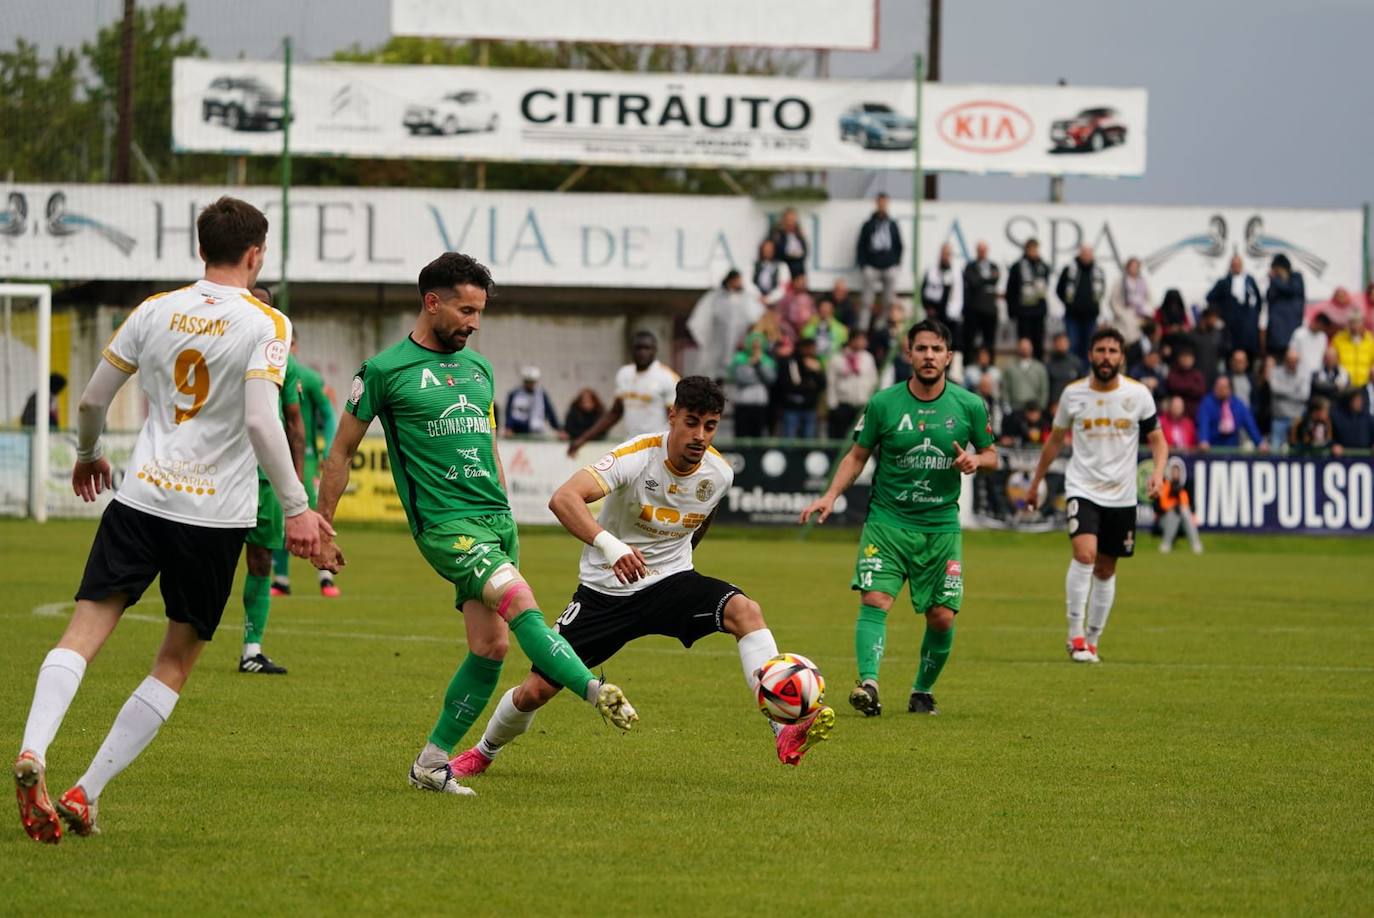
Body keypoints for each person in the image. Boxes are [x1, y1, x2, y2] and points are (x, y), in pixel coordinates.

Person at [13, 196, 331, 842]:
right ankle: (85, 791)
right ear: (256, 254)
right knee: (174, 661)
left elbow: (95, 398)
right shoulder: (268, 322)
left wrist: (87, 455)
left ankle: (33, 750)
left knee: (81, 634)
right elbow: (260, 420)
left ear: (200, 248)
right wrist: (298, 509)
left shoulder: (154, 310)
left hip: (139, 500)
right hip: (213, 518)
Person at [312, 252, 638, 798]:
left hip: (495, 522)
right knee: (522, 602)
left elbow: (487, 446)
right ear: (432, 302)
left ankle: (430, 764)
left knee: (491, 648)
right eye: (466, 310)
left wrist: (506, 511)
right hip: (445, 527)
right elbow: (340, 454)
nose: (474, 323)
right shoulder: (383, 371)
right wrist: (323, 526)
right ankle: (593, 689)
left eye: (480, 311)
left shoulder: (479, 370)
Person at [449, 377, 834, 779]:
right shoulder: (636, 455)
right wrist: (611, 547)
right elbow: (563, 498)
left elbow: (702, 518)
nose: (700, 435)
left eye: (711, 425)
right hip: (604, 593)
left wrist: (682, 567)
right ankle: (484, 750)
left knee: (745, 612)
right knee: (537, 690)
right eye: (692, 422)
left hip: (671, 583)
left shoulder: (720, 472)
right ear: (673, 417)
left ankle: (784, 727)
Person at [801, 318, 996, 717]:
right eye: (921, 349)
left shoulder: (970, 406)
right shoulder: (883, 404)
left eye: (936, 349)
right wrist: (831, 494)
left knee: (941, 617)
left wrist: (976, 459)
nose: (928, 356)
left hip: (940, 526)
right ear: (909, 354)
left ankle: (922, 691)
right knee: (875, 598)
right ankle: (868, 685)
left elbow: (993, 454)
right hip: (887, 522)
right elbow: (858, 456)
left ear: (948, 357)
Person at [1026, 327, 1168, 664]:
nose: (1106, 357)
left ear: (1121, 357)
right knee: (1085, 554)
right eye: (1101, 350)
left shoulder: (1139, 395)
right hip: (1083, 487)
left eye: (1113, 351)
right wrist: (1036, 482)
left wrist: (1159, 473)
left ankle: (1092, 639)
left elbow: (1159, 440)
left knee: (1106, 568)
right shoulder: (1073, 395)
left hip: (1121, 494)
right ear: (1090, 355)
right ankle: (1074, 635)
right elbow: (1055, 441)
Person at [238, 286, 307, 675]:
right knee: (209, 559)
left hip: (265, 479)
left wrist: (295, 484)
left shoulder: (285, 361)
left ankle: (251, 649)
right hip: (225, 473)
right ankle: (191, 636)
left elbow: (294, 423)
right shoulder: (224, 349)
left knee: (261, 559)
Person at [272, 333, 341, 599]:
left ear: (295, 346)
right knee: (279, 516)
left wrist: (329, 452)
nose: (285, 349)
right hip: (276, 457)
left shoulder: (308, 377)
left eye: (289, 343)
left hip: (308, 456)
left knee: (311, 510)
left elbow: (329, 414)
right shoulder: (266, 371)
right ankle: (281, 579)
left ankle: (325, 574)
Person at [567, 330, 678, 455]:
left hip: (657, 448)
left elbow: (676, 419)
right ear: (632, 350)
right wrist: (583, 439)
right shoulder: (624, 374)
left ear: (655, 350)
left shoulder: (667, 377)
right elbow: (614, 413)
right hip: (631, 446)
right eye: (638, 348)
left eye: (647, 348)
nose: (642, 352)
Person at [686, 269, 763, 384]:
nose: (740, 283)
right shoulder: (715, 297)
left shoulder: (746, 298)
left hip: (738, 347)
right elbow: (700, 320)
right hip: (716, 346)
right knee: (715, 377)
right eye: (737, 280)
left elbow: (757, 318)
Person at [856, 192, 903, 333]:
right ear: (876, 203)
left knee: (888, 301)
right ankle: (862, 328)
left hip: (889, 266)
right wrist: (864, 265)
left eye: (884, 203)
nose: (882, 205)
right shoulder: (869, 224)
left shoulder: (892, 224)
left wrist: (896, 263)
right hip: (872, 265)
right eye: (880, 202)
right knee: (867, 300)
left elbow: (898, 245)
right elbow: (861, 245)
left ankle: (882, 328)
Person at [1056, 244, 1106, 364]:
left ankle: (1086, 374)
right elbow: (1059, 290)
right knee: (1073, 345)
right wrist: (1070, 304)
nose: (1087, 256)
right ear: (1079, 253)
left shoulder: (1098, 271)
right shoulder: (1069, 270)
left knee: (1089, 347)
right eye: (1084, 253)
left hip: (1091, 316)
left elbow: (1101, 291)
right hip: (1072, 316)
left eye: (1089, 253)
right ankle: (1073, 373)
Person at [1206, 256, 1263, 361]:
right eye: (1234, 264)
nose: (1236, 266)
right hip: (1230, 328)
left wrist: (1254, 317)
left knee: (1248, 355)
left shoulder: (1250, 280)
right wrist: (1219, 317)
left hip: (1247, 328)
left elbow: (1258, 301)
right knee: (1230, 354)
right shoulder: (1224, 282)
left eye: (1238, 264)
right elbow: (1210, 297)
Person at [825, 330, 877, 440]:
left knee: (861, 437)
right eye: (860, 339)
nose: (863, 342)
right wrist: (833, 405)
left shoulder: (868, 358)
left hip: (862, 405)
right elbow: (831, 382)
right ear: (852, 340)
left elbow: (873, 380)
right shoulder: (838, 358)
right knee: (840, 436)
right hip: (843, 405)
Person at [1005, 238, 1051, 359]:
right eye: (1031, 249)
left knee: (1038, 343)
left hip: (1039, 312)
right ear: (1026, 250)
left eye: (1036, 249)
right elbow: (1011, 290)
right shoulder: (1017, 267)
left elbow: (1045, 288)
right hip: (1023, 313)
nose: (1034, 252)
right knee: (1024, 343)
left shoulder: (1043, 267)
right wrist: (1012, 311)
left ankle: (1038, 367)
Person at [1196, 376, 1266, 451]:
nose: (1221, 390)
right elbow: (1203, 424)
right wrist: (1203, 440)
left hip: (1233, 447)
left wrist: (1259, 442)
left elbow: (1250, 424)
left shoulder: (1238, 404)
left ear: (1230, 389)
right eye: (1218, 387)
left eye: (1224, 387)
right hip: (1212, 447)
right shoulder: (1207, 403)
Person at [775, 336, 825, 439]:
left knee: (808, 438)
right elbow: (786, 385)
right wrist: (808, 387)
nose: (812, 351)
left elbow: (822, 385)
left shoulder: (816, 362)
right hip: (791, 406)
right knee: (790, 438)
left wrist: (817, 371)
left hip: (810, 407)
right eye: (810, 348)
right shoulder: (789, 361)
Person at [729, 332, 776, 437]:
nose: (756, 348)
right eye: (754, 345)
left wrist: (759, 365)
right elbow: (741, 378)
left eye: (758, 346)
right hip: (743, 402)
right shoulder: (740, 359)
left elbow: (770, 379)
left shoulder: (766, 361)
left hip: (760, 403)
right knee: (741, 433)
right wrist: (755, 372)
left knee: (758, 434)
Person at [962, 240, 1001, 363]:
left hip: (990, 311)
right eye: (980, 250)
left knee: (989, 341)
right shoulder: (970, 266)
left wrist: (982, 280)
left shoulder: (993, 265)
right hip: (973, 310)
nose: (982, 252)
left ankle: (990, 365)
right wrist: (988, 279)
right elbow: (973, 282)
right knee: (970, 340)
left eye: (984, 250)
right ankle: (968, 364)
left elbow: (996, 279)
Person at [921, 244, 964, 352]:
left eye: (948, 254)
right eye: (943, 254)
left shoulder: (957, 272)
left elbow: (961, 295)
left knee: (950, 344)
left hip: (951, 317)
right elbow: (924, 291)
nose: (945, 257)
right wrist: (928, 307)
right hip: (935, 315)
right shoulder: (931, 271)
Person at [1108, 257, 1152, 363]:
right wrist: (1121, 314)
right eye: (1131, 266)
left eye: (1136, 267)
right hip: (1122, 318)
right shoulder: (1120, 281)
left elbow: (1150, 300)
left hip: (1138, 318)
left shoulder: (1143, 282)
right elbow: (1113, 300)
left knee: (1136, 349)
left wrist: (1145, 314)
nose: (1134, 269)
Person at [1155, 458, 1202, 555]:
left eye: (1177, 471)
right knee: (1173, 513)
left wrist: (1179, 505)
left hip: (1183, 521)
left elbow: (1190, 507)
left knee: (1184, 510)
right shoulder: (1163, 485)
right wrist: (1173, 507)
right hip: (1165, 520)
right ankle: (1166, 544)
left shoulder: (1185, 487)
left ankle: (1196, 544)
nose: (1175, 473)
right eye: (1173, 471)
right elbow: (1159, 507)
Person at [1264, 254, 1306, 360]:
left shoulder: (1296, 277)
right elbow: (1269, 297)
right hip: (1276, 333)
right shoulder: (1275, 282)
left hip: (1291, 330)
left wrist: (1275, 280)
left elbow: (1291, 290)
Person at [1267, 348, 1310, 451]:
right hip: (1279, 419)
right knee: (1275, 451)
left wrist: (1284, 393)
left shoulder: (1303, 374)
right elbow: (1275, 389)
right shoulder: (1275, 372)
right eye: (1290, 360)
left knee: (1298, 452)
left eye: (1295, 361)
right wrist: (1295, 390)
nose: (1292, 363)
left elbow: (1304, 395)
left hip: (1297, 420)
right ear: (1285, 360)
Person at [503, 366, 562, 438]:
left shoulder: (541, 395)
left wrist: (559, 429)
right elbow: (509, 413)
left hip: (536, 431)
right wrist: (508, 427)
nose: (530, 384)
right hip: (518, 432)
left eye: (532, 382)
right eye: (528, 381)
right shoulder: (515, 394)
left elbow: (550, 413)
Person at [1002, 337, 1050, 411]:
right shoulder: (1010, 368)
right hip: (1015, 408)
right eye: (1022, 347)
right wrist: (1006, 406)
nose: (1024, 349)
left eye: (1027, 347)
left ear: (1032, 348)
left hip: (1034, 409)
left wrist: (1041, 407)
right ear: (1018, 349)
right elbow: (1005, 389)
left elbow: (1044, 390)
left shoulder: (1040, 368)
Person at [800, 296, 848, 366]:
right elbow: (804, 345)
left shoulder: (840, 329)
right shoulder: (809, 326)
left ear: (833, 310)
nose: (825, 310)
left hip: (833, 363)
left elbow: (843, 348)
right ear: (818, 309)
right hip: (814, 362)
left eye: (828, 308)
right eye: (823, 308)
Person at [1332, 312, 1374, 389]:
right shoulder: (1339, 339)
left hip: (1364, 384)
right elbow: (1333, 360)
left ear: (1362, 323)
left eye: (1357, 322)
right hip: (1345, 385)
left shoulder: (1370, 340)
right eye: (1351, 322)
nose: (1354, 326)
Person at [1290, 311, 1334, 381]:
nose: (1321, 329)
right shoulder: (1299, 334)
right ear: (1317, 322)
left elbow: (1324, 356)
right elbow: (1292, 354)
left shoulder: (1323, 337)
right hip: (1301, 374)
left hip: (1318, 376)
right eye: (1321, 326)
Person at [1046, 331, 1083, 410]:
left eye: (1064, 341)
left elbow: (1082, 385)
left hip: (1074, 404)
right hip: (1054, 407)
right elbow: (1046, 388)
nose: (1062, 344)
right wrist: (1051, 404)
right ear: (1054, 344)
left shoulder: (1076, 362)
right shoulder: (1048, 364)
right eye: (1059, 342)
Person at [1166, 349, 1208, 419]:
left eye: (1189, 358)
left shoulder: (1197, 374)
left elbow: (1202, 391)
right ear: (1179, 359)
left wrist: (1184, 387)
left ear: (1193, 359)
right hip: (1176, 412)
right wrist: (1191, 387)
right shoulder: (1173, 373)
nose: (1186, 360)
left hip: (1194, 412)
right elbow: (1173, 386)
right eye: (1184, 357)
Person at [768, 207, 808, 279]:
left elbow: (805, 251)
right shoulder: (777, 234)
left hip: (798, 270)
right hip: (783, 268)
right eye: (789, 219)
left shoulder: (799, 235)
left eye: (793, 219)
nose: (791, 222)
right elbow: (776, 251)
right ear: (784, 220)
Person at [1332, 389, 1373, 455]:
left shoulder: (1368, 418)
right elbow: (1331, 437)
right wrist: (1334, 445)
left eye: (1360, 400)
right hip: (1343, 458)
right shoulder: (1337, 417)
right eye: (1356, 400)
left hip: (1366, 458)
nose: (1359, 403)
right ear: (1349, 401)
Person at [752, 239, 791, 307]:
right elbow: (748, 283)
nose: (768, 251)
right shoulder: (753, 265)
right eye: (765, 249)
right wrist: (758, 296)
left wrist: (770, 299)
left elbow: (784, 286)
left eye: (770, 249)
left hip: (776, 303)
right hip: (756, 302)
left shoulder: (782, 266)